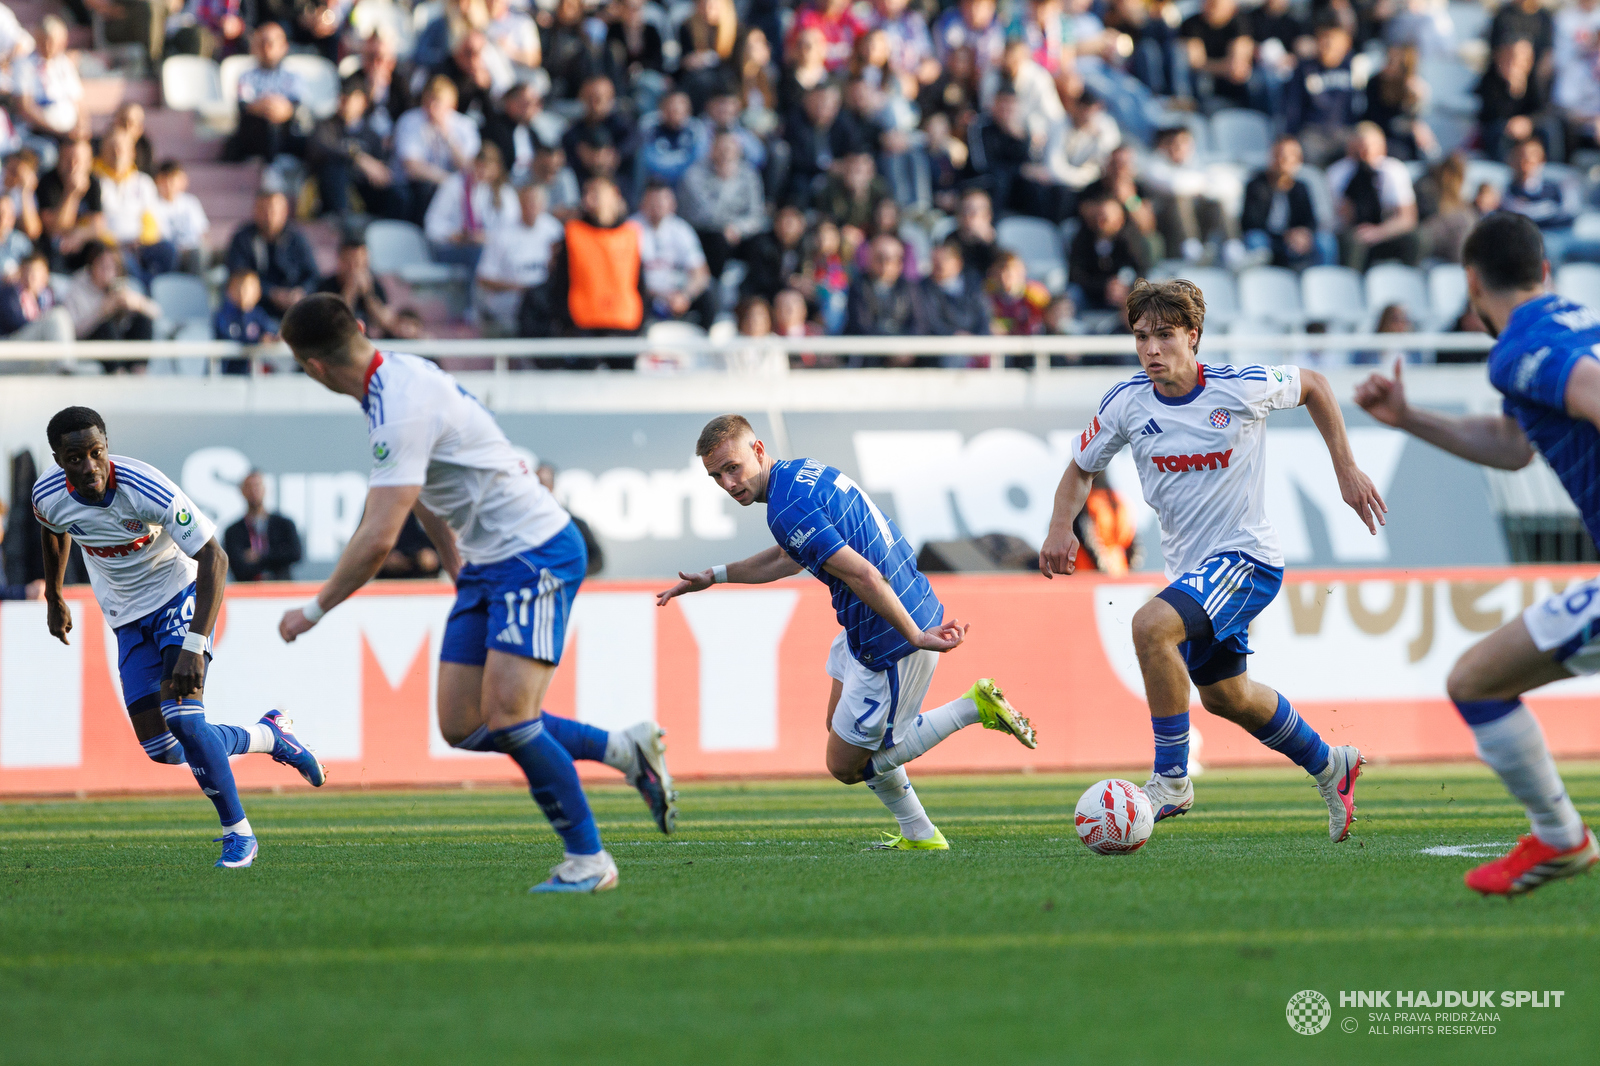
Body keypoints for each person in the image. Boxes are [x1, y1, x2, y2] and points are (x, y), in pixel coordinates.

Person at [277, 295, 677, 891]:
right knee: (463, 724)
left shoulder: (396, 407)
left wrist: (313, 610)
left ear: (313, 369)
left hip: (535, 551)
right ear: (361, 328)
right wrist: (456, 567)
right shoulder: (398, 376)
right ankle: (623, 750)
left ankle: (589, 861)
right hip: (489, 563)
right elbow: (430, 493)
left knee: (512, 718)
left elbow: (380, 537)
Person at [1040, 279, 1385, 841]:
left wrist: (1345, 470)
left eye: (1166, 335)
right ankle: (1331, 764)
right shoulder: (1126, 403)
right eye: (1141, 337)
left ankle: (1171, 779)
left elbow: (1317, 385)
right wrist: (1059, 528)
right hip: (1195, 573)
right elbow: (1081, 467)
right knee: (1228, 696)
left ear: (1193, 336)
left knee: (1151, 625)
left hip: (1247, 559)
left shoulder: (1240, 387)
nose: (1152, 349)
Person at [1354, 212, 1599, 895]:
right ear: (1543, 271)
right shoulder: (1578, 320)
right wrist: (1410, 419)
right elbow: (1514, 447)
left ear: (1471, 284)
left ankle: (1561, 839)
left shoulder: (1523, 345)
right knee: (1479, 681)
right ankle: (1561, 841)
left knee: (1476, 683)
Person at [658, 414, 1036, 849]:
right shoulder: (801, 474)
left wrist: (914, 635)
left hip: (888, 632)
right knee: (838, 727)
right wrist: (716, 575)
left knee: (845, 765)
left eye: (733, 468)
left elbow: (866, 577)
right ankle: (919, 833)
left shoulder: (786, 507)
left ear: (758, 450)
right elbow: (788, 557)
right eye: (716, 476)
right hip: (878, 615)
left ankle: (973, 708)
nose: (727, 483)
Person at [34, 406, 327, 868]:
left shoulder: (145, 487)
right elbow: (53, 532)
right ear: (58, 459)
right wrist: (54, 595)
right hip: (125, 617)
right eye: (75, 458)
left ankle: (240, 834)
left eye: (97, 453)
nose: (89, 466)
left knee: (188, 721)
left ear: (107, 446)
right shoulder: (47, 494)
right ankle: (270, 736)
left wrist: (194, 643)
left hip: (177, 595)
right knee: (164, 748)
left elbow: (216, 557)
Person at [1326, 122, 1420, 270]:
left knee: (1416, 239)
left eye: (1369, 147)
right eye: (1359, 147)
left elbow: (1407, 218)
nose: (1364, 153)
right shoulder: (1338, 173)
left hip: (1386, 232)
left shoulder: (1394, 171)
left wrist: (1379, 232)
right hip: (1353, 234)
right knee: (1351, 243)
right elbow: (1337, 218)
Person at [308, 76, 403, 221]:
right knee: (335, 168)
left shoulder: (372, 135)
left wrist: (377, 170)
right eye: (343, 97)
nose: (345, 103)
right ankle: (344, 221)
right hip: (333, 192)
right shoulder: (326, 126)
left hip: (364, 190)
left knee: (398, 193)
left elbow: (379, 169)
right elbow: (321, 148)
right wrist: (358, 157)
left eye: (351, 98)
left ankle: (388, 228)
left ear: (363, 102)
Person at [676, 131, 765, 281]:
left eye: (730, 148)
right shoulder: (694, 174)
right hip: (704, 233)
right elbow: (705, 214)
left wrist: (737, 228)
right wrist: (725, 183)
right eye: (721, 148)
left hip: (736, 233)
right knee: (718, 241)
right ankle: (712, 287)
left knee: (761, 245)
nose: (726, 153)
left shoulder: (749, 175)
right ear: (711, 150)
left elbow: (756, 215)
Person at [475, 182, 563, 334]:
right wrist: (521, 289)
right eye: (526, 203)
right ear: (519, 204)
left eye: (535, 203)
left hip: (545, 308)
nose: (531, 208)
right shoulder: (502, 232)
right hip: (508, 309)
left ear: (544, 205)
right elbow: (484, 278)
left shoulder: (554, 231)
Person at [393, 77, 482, 225]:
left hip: (454, 188)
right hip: (418, 187)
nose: (432, 107)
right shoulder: (410, 120)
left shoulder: (465, 126)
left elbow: (469, 167)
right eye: (429, 100)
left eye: (438, 102)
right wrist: (448, 181)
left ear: (452, 104)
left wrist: (447, 136)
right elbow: (412, 167)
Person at [1241, 135, 1337, 269]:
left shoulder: (1301, 187)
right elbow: (1251, 221)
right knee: (1255, 240)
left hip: (1295, 238)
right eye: (1279, 155)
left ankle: (1324, 282)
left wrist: (1304, 234)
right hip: (1269, 237)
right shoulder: (1256, 185)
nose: (1282, 160)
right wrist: (1284, 235)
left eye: (1289, 156)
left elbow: (1311, 219)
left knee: (1325, 242)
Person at [422, 142, 519, 271]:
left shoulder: (505, 193)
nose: (483, 172)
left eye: (488, 168)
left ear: (497, 169)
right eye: (479, 166)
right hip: (455, 248)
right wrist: (453, 235)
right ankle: (474, 291)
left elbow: (512, 228)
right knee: (480, 255)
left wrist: (486, 238)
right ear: (473, 164)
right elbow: (432, 224)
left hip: (491, 249)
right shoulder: (453, 185)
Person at [632, 181, 714, 329]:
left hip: (679, 294)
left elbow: (701, 273)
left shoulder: (681, 229)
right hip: (647, 294)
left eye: (662, 201)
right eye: (653, 201)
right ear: (643, 203)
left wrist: (685, 296)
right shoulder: (631, 229)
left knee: (709, 297)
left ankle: (706, 344)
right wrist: (662, 296)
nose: (658, 206)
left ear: (672, 204)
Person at [224, 189, 320, 317]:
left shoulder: (297, 238)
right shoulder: (243, 238)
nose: (268, 215)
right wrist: (271, 293)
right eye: (263, 209)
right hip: (254, 309)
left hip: (294, 308)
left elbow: (313, 275)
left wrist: (300, 292)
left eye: (273, 210)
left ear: (284, 212)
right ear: (255, 210)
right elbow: (237, 274)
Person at [225, 23, 304, 162]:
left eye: (272, 43)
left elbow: (296, 106)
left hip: (285, 131)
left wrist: (283, 110)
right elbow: (243, 105)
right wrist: (266, 106)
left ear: (283, 47)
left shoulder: (293, 77)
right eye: (262, 43)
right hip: (255, 132)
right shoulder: (246, 76)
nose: (267, 48)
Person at [1501, 137, 1581, 265]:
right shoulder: (1508, 191)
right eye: (1521, 156)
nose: (1526, 161)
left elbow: (1569, 214)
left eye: (1532, 156)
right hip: (1535, 240)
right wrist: (1549, 211)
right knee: (1546, 246)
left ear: (1542, 160)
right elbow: (1517, 216)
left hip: (1564, 235)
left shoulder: (1555, 187)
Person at [65, 242, 160, 345]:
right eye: (102, 265)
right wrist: (103, 311)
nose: (107, 272)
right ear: (92, 265)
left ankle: (139, 361)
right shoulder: (78, 287)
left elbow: (157, 313)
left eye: (112, 267)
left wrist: (138, 304)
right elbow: (75, 331)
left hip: (120, 343)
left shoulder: (120, 287)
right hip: (90, 344)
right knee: (106, 327)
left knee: (143, 321)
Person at [1068, 195, 1147, 313]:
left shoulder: (1132, 240)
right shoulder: (1082, 239)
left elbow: (1142, 269)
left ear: (1119, 220)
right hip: (1092, 295)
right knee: (1072, 294)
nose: (1099, 222)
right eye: (1096, 217)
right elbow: (1076, 273)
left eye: (1105, 219)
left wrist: (1126, 288)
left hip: (1126, 296)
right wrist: (1105, 286)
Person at [223, 470, 302, 581]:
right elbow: (235, 564)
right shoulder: (233, 531)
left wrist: (259, 556)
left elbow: (295, 554)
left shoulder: (284, 524)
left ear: (265, 489)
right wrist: (274, 557)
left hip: (281, 589)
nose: (253, 491)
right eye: (249, 486)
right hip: (248, 592)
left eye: (257, 486)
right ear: (242, 491)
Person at [315, 236, 398, 337]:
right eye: (349, 263)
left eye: (358, 263)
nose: (353, 268)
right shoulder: (326, 286)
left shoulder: (374, 285)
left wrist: (368, 295)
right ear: (340, 260)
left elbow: (386, 322)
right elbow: (333, 323)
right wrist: (350, 290)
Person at [918, 239, 989, 340]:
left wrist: (978, 340)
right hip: (941, 348)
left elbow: (984, 318)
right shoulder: (922, 288)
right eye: (935, 260)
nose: (940, 264)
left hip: (977, 347)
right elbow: (931, 323)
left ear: (958, 262)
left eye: (945, 259)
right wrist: (953, 335)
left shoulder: (974, 285)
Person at [0, 250, 74, 345]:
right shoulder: (8, 294)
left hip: (37, 347)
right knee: (57, 317)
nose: (30, 277)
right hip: (11, 346)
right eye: (27, 271)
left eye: (35, 272)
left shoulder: (47, 297)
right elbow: (15, 324)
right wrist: (42, 324)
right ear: (20, 272)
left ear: (45, 275)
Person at [152, 160, 210, 274]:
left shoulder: (191, 202)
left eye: (172, 179)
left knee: (200, 252)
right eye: (164, 179)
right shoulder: (153, 204)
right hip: (169, 254)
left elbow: (203, 232)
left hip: (193, 252)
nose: (168, 184)